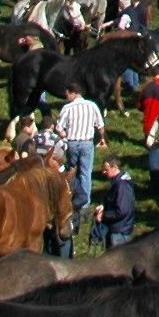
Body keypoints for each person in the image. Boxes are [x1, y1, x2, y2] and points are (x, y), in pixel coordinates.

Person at [55, 87, 103, 243]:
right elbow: (100, 125)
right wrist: (102, 138)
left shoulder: (67, 108)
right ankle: (85, 202)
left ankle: (72, 195)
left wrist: (65, 135)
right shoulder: (92, 105)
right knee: (86, 173)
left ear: (73, 92)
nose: (66, 97)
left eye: (67, 94)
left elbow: (59, 127)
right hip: (88, 142)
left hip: (73, 143)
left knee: (71, 172)